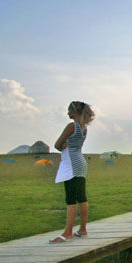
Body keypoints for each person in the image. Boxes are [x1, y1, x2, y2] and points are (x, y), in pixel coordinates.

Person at [50, 101, 95, 243]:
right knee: (82, 198)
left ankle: (67, 232)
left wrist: (62, 145)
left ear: (75, 112)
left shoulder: (71, 126)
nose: (68, 113)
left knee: (70, 199)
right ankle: (83, 229)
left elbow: (57, 144)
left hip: (71, 163)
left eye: (69, 110)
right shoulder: (84, 128)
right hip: (81, 162)